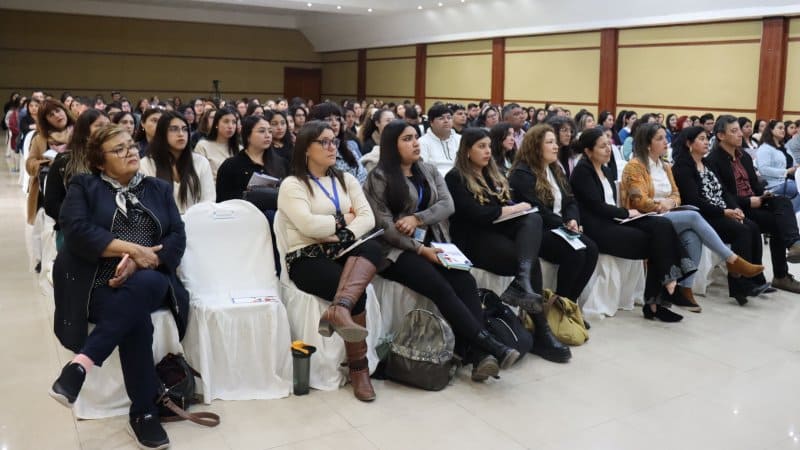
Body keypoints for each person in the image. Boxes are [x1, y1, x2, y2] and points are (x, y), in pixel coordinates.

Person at [49, 124, 188, 450]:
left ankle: (80, 365)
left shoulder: (159, 188)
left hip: (148, 275)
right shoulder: (84, 186)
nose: (131, 153)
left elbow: (177, 238)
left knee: (148, 284)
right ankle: (144, 413)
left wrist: (140, 260)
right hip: (95, 284)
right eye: (119, 149)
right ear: (100, 162)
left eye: (131, 146)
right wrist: (128, 248)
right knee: (135, 318)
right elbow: (77, 231)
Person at [363, 120, 521, 381]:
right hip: (395, 251)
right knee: (440, 286)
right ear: (392, 145)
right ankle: (488, 345)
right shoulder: (378, 178)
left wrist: (418, 219)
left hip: (434, 241)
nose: (415, 143)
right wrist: (421, 249)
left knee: (465, 281)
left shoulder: (427, 169)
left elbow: (448, 205)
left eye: (415, 137)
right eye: (407, 139)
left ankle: (478, 355)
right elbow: (387, 228)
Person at [446, 127, 572, 363]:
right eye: (480, 147)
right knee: (530, 255)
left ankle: (524, 284)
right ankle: (541, 331)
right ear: (466, 151)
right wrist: (512, 209)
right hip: (473, 239)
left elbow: (503, 206)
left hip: (498, 232)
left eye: (488, 146)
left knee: (533, 219)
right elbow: (476, 214)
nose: (487, 151)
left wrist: (513, 209)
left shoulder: (493, 173)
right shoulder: (455, 177)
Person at [277, 121, 379, 402]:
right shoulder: (293, 184)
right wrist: (344, 220)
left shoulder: (346, 179)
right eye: (324, 141)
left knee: (374, 248)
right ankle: (360, 370)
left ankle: (338, 311)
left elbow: (368, 218)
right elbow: (307, 225)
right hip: (306, 257)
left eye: (334, 140)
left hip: (342, 249)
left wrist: (342, 233)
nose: (332, 146)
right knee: (355, 295)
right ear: (306, 149)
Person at [621, 122, 765, 305]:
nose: (666, 142)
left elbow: (677, 194)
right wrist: (660, 205)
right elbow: (638, 200)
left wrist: (671, 202)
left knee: (693, 235)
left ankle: (684, 289)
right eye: (660, 139)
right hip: (646, 217)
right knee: (694, 216)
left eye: (666, 138)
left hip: (669, 214)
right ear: (648, 144)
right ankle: (732, 259)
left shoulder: (665, 166)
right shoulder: (635, 166)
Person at [570, 128, 696, 319]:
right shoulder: (582, 171)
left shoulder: (605, 168)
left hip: (615, 219)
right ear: (588, 151)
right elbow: (596, 206)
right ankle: (659, 297)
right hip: (597, 226)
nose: (608, 150)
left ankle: (661, 292)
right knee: (656, 242)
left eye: (609, 146)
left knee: (661, 226)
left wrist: (625, 215)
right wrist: (626, 213)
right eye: (602, 146)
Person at [672, 126, 771, 306]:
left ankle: (755, 280)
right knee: (741, 231)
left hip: (722, 210)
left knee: (752, 226)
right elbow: (694, 200)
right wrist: (724, 212)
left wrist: (735, 208)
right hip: (704, 215)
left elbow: (724, 192)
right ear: (689, 144)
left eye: (706, 138)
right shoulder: (683, 167)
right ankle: (740, 286)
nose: (705, 142)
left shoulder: (707, 163)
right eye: (701, 139)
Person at [705, 115, 800, 293]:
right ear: (721, 136)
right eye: (734, 131)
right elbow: (723, 194)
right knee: (777, 222)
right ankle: (778, 275)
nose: (740, 134)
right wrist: (749, 201)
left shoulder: (744, 157)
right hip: (738, 208)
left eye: (739, 130)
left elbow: (755, 186)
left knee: (783, 202)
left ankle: (794, 245)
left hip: (755, 201)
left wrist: (763, 195)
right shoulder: (713, 160)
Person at [508, 124, 599, 302]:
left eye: (555, 142)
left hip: (560, 226)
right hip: (538, 230)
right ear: (535, 146)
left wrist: (572, 219)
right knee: (577, 253)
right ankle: (559, 303)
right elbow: (536, 209)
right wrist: (564, 224)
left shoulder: (554, 169)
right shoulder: (522, 173)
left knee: (592, 249)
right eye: (550, 142)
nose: (556, 146)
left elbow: (570, 200)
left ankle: (568, 303)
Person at [45, 109, 110, 247]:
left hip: (108, 232)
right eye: (99, 125)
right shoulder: (64, 162)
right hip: (73, 232)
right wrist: (77, 220)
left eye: (108, 125)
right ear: (85, 131)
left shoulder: (113, 160)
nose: (106, 129)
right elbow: (51, 204)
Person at [139, 111, 215, 214]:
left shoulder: (200, 162)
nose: (181, 134)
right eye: (173, 129)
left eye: (184, 129)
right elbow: (146, 204)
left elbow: (208, 201)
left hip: (197, 223)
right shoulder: (146, 164)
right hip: (162, 226)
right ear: (162, 133)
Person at [216, 115, 289, 203]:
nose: (268, 135)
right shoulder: (231, 165)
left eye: (270, 131)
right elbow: (223, 199)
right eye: (262, 131)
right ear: (248, 136)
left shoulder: (281, 163)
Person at [26, 100, 75, 225]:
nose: (57, 115)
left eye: (58, 111)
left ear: (64, 110)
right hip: (48, 193)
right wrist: (48, 162)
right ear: (45, 120)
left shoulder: (80, 132)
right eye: (51, 115)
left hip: (75, 189)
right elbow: (29, 164)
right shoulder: (40, 138)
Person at [308, 102, 367, 184]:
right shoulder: (311, 152)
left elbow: (363, 176)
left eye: (338, 119)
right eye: (329, 119)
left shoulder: (349, 149)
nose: (335, 123)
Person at [755, 120, 799, 212]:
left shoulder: (784, 147)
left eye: (783, 128)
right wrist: (786, 171)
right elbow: (764, 169)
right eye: (780, 128)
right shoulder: (764, 148)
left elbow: (793, 162)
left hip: (790, 180)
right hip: (774, 184)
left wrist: (796, 167)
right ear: (771, 130)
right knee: (797, 189)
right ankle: (793, 217)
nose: (783, 130)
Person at [194, 107, 239, 180]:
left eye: (234, 122)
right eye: (226, 121)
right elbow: (198, 175)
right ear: (216, 124)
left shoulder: (240, 148)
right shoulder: (203, 146)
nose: (230, 126)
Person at [419, 104, 461, 176]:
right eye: (441, 118)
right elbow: (423, 169)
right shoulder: (422, 142)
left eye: (449, 118)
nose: (446, 121)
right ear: (431, 122)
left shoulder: (460, 139)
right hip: (435, 181)